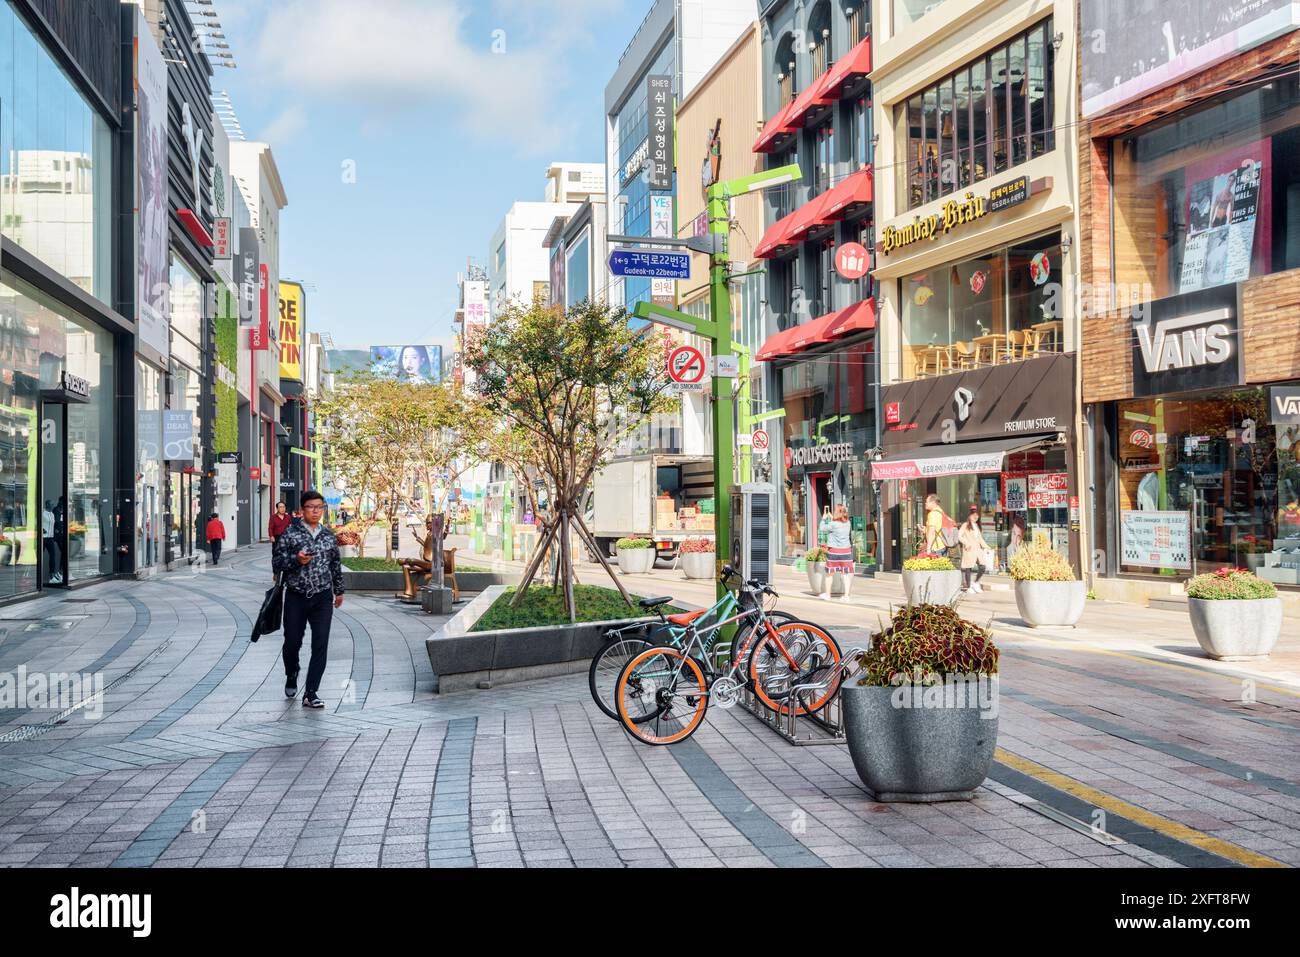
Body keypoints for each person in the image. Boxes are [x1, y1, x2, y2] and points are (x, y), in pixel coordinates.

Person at [272, 490, 344, 709]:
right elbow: (277, 562)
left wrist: (339, 590)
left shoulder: (328, 536)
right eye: (311, 507)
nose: (316, 511)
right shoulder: (290, 533)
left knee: (320, 644)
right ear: (302, 510)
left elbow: (335, 565)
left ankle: (311, 692)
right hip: (296, 596)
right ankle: (291, 672)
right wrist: (296, 560)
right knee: (292, 642)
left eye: (319, 507)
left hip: (322, 597)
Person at [820, 503, 855, 603]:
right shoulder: (848, 523)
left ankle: (828, 595)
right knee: (845, 574)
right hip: (846, 552)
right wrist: (832, 518)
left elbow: (822, 529)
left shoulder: (832, 524)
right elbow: (839, 524)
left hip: (834, 552)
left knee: (829, 574)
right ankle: (846, 596)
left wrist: (823, 518)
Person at [958, 506, 987, 593]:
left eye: (977, 515)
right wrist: (966, 543)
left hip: (978, 549)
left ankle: (975, 582)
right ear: (969, 516)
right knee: (968, 568)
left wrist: (987, 546)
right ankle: (969, 587)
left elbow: (980, 539)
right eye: (974, 515)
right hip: (969, 549)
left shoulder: (977, 526)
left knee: (982, 566)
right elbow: (959, 536)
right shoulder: (965, 525)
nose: (976, 517)